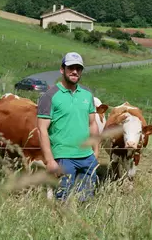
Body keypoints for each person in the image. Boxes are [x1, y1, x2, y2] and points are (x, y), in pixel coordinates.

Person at [37, 52, 99, 201]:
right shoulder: (49, 96)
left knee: (86, 199)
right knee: (63, 199)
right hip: (64, 158)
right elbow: (42, 129)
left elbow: (92, 123)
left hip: (87, 157)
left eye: (78, 68)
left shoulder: (87, 95)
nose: (75, 71)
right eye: (71, 67)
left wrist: (96, 152)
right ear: (62, 69)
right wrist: (50, 160)